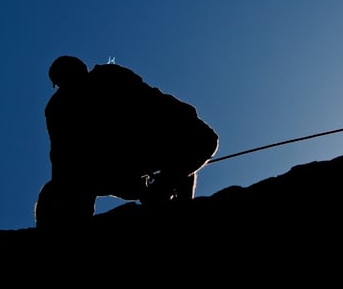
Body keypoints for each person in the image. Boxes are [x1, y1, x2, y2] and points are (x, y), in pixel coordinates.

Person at [35, 55, 219, 229]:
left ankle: (174, 202)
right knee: (60, 187)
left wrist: (164, 183)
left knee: (196, 142)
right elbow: (61, 158)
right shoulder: (59, 108)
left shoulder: (110, 77)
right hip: (107, 166)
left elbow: (165, 108)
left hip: (146, 148)